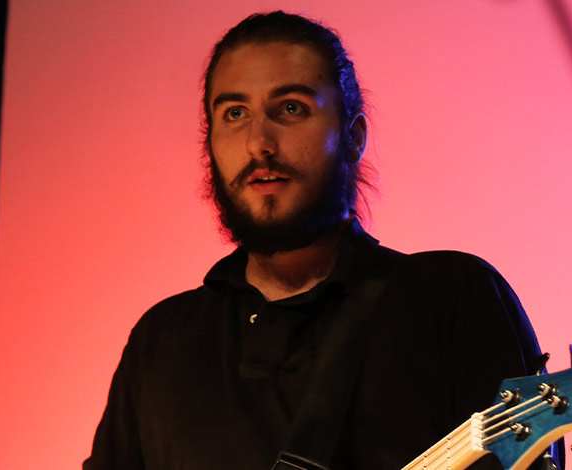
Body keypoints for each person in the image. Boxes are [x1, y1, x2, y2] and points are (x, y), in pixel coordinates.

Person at [84, 11, 544, 470]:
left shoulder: (447, 297)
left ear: (353, 137)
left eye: (291, 108)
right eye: (235, 114)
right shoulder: (163, 340)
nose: (258, 142)